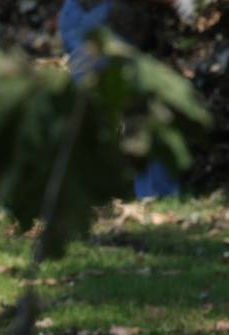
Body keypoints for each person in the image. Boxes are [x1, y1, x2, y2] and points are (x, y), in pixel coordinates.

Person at [58, 0, 182, 198]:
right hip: (100, 17)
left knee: (97, 111)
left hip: (83, 16)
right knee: (138, 109)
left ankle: (89, 194)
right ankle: (155, 192)